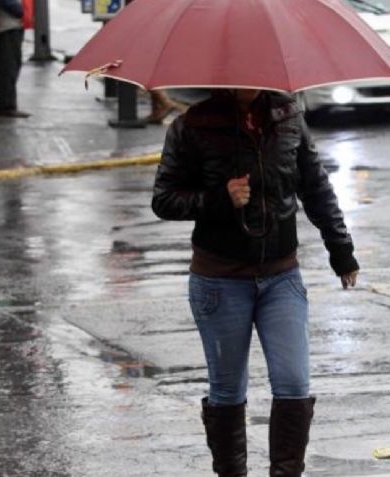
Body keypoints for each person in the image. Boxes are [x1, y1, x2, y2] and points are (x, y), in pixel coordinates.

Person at [151, 89, 359, 477]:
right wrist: (219, 198)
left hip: (282, 276)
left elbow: (315, 188)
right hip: (219, 280)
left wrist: (341, 250)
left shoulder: (288, 118)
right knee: (228, 392)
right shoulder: (192, 125)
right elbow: (163, 199)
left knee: (294, 384)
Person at [0, 0, 28, 118]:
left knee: (13, 66)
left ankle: (8, 105)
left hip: (13, 26)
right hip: (7, 28)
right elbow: (13, 7)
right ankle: (6, 107)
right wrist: (22, 9)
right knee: (8, 68)